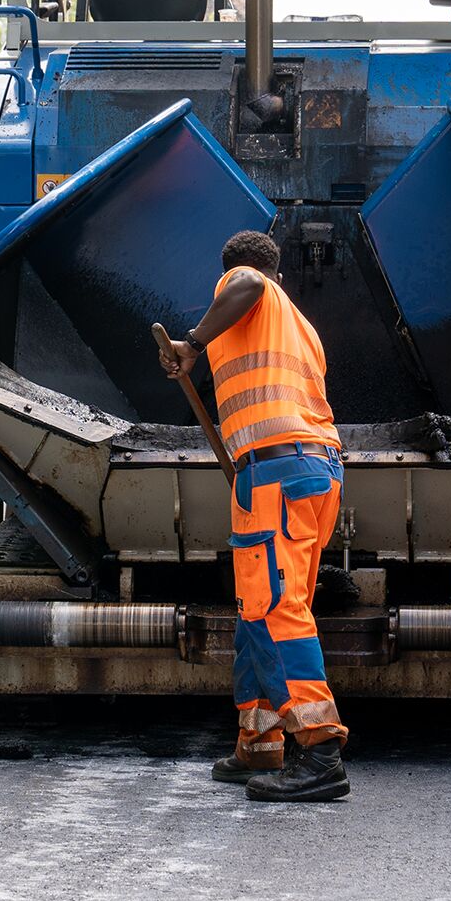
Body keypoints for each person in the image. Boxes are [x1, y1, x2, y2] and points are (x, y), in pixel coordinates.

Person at [159, 230, 349, 803]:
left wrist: (191, 344)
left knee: (273, 610)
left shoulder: (245, 284)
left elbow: (244, 283)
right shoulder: (304, 330)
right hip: (312, 471)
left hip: (275, 473)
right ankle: (260, 743)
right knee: (257, 610)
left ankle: (319, 751)